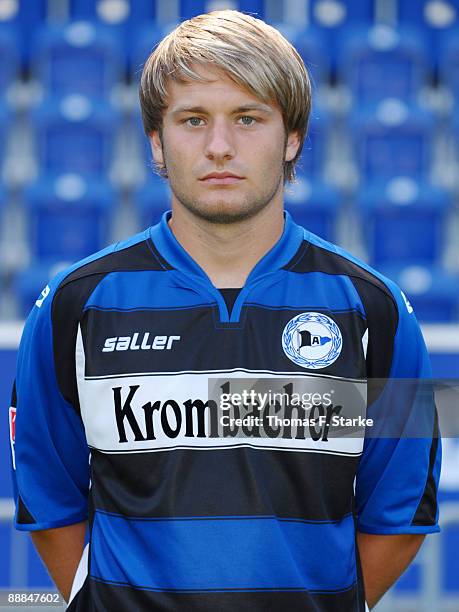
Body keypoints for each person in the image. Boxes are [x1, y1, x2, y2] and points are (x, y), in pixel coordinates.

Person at [9, 10, 440, 611]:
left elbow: (398, 513)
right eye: (192, 120)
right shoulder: (74, 304)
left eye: (247, 118)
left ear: (292, 137)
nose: (219, 146)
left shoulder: (379, 311)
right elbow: (48, 498)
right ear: (157, 141)